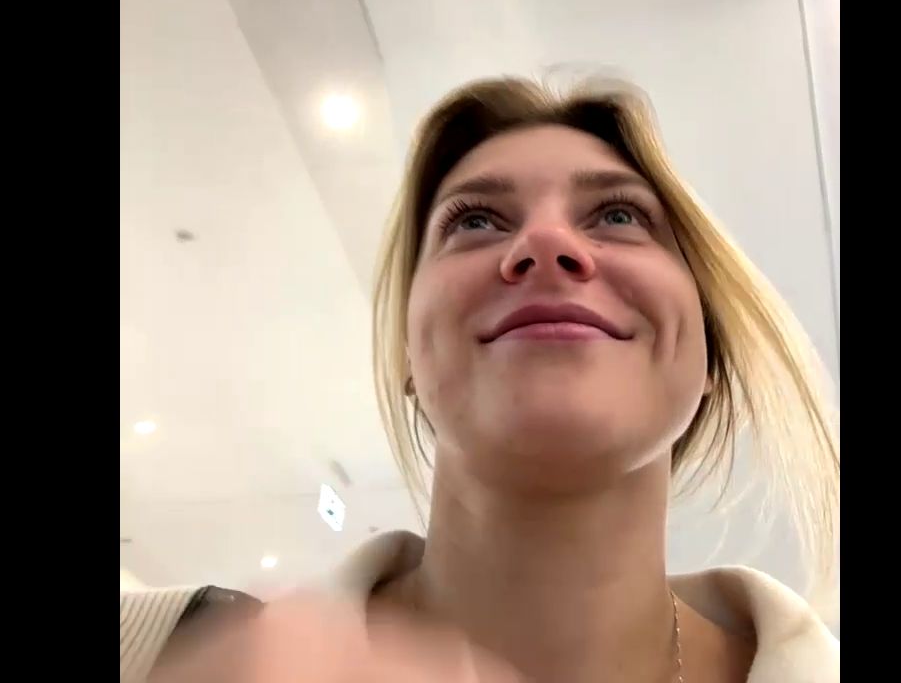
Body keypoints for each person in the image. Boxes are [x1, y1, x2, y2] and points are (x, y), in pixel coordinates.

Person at [121, 77, 840, 682]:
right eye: (474, 221)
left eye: (619, 215)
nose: (546, 241)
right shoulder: (145, 651)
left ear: (711, 354)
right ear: (406, 354)